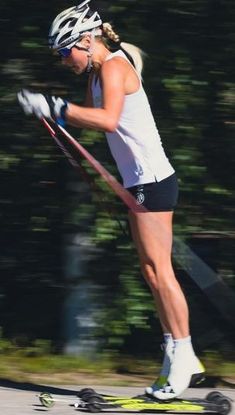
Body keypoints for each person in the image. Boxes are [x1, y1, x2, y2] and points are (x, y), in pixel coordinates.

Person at [18, 0, 205, 400]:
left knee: (161, 271)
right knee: (152, 274)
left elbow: (107, 120)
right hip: (139, 183)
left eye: (65, 52)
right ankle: (174, 354)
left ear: (86, 41)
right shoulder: (97, 74)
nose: (64, 60)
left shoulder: (116, 67)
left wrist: (57, 107)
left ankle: (185, 356)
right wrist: (53, 115)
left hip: (153, 182)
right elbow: (95, 118)